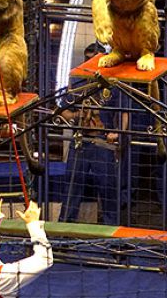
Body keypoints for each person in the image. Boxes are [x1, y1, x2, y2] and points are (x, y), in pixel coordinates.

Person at [59, 43, 127, 225]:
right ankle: (64, 227)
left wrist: (118, 133)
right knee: (72, 187)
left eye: (93, 59)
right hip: (80, 141)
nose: (89, 62)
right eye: (87, 59)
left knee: (107, 187)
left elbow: (124, 112)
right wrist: (77, 116)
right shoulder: (77, 83)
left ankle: (111, 227)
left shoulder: (112, 84)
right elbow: (63, 110)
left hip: (102, 142)